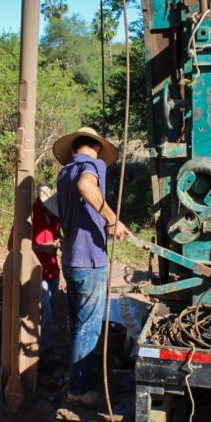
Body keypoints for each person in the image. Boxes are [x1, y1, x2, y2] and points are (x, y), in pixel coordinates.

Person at [53, 127, 130, 406]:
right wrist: (111, 218)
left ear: (74, 148)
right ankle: (80, 389)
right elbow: (86, 186)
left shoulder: (64, 172)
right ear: (97, 147)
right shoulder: (93, 165)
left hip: (70, 260)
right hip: (90, 260)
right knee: (89, 327)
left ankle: (75, 378)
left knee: (78, 324)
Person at [32, 185, 61, 360]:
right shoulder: (30, 216)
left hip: (52, 270)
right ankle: (41, 355)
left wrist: (59, 242)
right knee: (45, 315)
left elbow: (57, 235)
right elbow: (14, 246)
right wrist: (42, 248)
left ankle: (44, 348)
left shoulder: (55, 217)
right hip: (37, 272)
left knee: (52, 312)